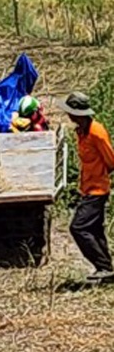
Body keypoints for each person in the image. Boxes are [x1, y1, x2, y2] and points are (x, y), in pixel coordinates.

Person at [62, 92, 114, 281]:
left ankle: (102, 266)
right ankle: (107, 269)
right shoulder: (82, 131)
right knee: (94, 229)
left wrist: (100, 177)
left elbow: (111, 160)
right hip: (88, 188)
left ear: (77, 114)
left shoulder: (96, 132)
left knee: (78, 227)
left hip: (97, 190)